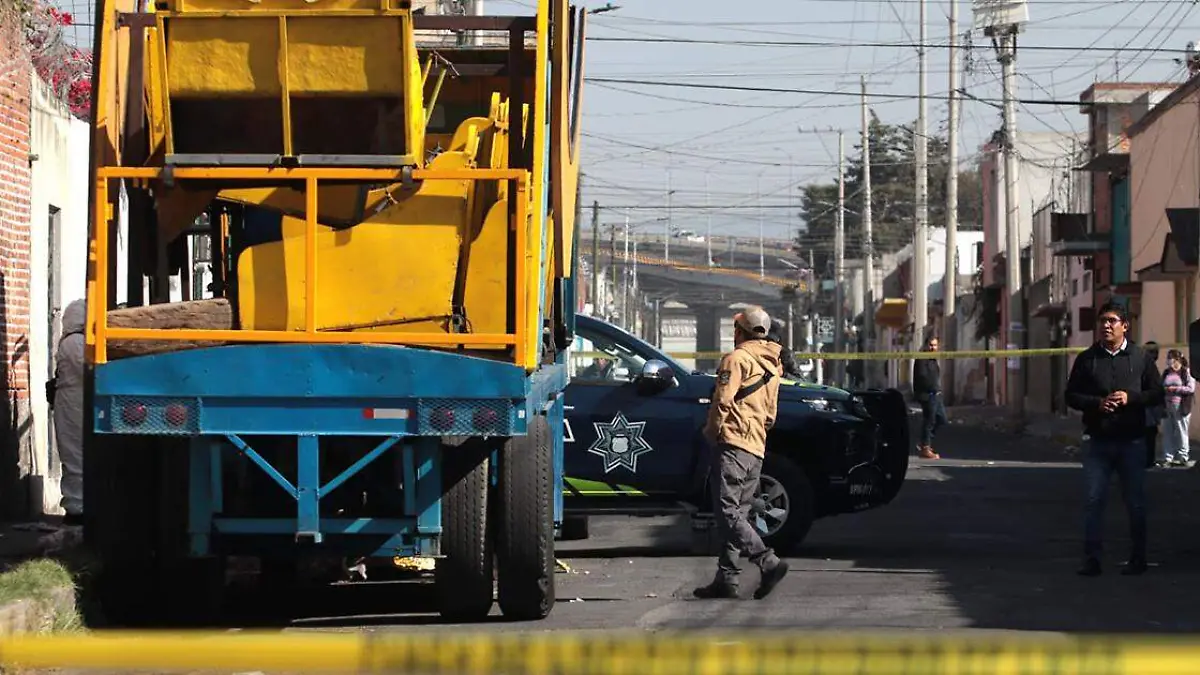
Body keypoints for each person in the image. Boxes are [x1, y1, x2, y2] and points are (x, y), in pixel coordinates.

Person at [694, 305, 789, 600]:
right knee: (739, 514)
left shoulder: (736, 360)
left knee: (726, 512)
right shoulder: (773, 365)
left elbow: (722, 401)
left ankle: (767, 561)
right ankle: (727, 578)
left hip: (733, 443)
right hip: (756, 446)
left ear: (740, 331)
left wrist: (712, 431)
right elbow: (771, 414)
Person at [1065, 302, 1163, 577]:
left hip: (1132, 442)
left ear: (1125, 326)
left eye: (1111, 321)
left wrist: (1131, 398)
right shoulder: (1087, 359)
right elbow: (1071, 395)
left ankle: (1138, 558)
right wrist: (1097, 403)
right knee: (1094, 500)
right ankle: (1092, 559)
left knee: (1136, 502)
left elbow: (1156, 393)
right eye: (1102, 321)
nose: (1106, 326)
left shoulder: (1140, 358)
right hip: (1098, 442)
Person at [51, 299, 86, 526]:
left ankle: (79, 505)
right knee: (75, 456)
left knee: (75, 454)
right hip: (74, 403)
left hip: (73, 401)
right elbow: (87, 369)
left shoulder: (70, 341)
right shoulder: (75, 343)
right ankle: (76, 509)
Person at [911, 334, 945, 460]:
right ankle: (925, 447)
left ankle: (924, 442)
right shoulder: (922, 358)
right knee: (929, 421)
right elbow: (922, 377)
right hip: (927, 395)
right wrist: (932, 389)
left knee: (941, 419)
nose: (933, 347)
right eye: (931, 345)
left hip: (936, 394)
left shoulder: (933, 359)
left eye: (935, 345)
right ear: (926, 345)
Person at [1159, 349, 1194, 468]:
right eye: (1168, 358)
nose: (1169, 361)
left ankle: (1183, 456)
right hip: (1167, 406)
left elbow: (1191, 388)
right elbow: (1161, 386)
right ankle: (1168, 457)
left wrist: (1175, 389)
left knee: (1181, 431)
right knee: (1168, 432)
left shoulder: (1186, 372)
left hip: (1181, 407)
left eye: (1172, 358)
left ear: (1178, 359)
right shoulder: (1166, 373)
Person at [1143, 340, 1163, 468]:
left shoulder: (1152, 367)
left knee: (1150, 434)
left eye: (1155, 352)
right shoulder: (1142, 366)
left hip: (1151, 407)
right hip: (1144, 406)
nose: (1154, 355)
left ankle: (1149, 459)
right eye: (1151, 352)